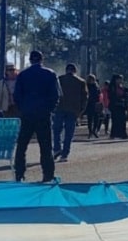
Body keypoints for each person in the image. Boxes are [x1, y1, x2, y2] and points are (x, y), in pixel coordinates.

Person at [13, 51, 61, 182]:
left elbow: (16, 95)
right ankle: (47, 174)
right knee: (45, 146)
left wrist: (23, 109)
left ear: (30, 60)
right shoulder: (50, 74)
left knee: (22, 146)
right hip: (43, 115)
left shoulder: (23, 75)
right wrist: (49, 109)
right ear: (41, 59)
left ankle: (19, 174)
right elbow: (56, 95)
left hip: (27, 114)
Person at [53, 63, 89, 161]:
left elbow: (54, 93)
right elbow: (85, 97)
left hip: (60, 108)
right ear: (75, 71)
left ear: (66, 70)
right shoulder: (81, 82)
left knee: (56, 130)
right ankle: (65, 154)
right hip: (73, 110)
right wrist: (81, 111)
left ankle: (56, 148)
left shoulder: (59, 79)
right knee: (69, 133)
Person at [85, 74, 101, 139]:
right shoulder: (86, 86)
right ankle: (90, 131)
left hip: (96, 104)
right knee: (90, 118)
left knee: (96, 118)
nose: (91, 81)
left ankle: (94, 130)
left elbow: (99, 94)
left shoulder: (96, 86)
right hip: (89, 104)